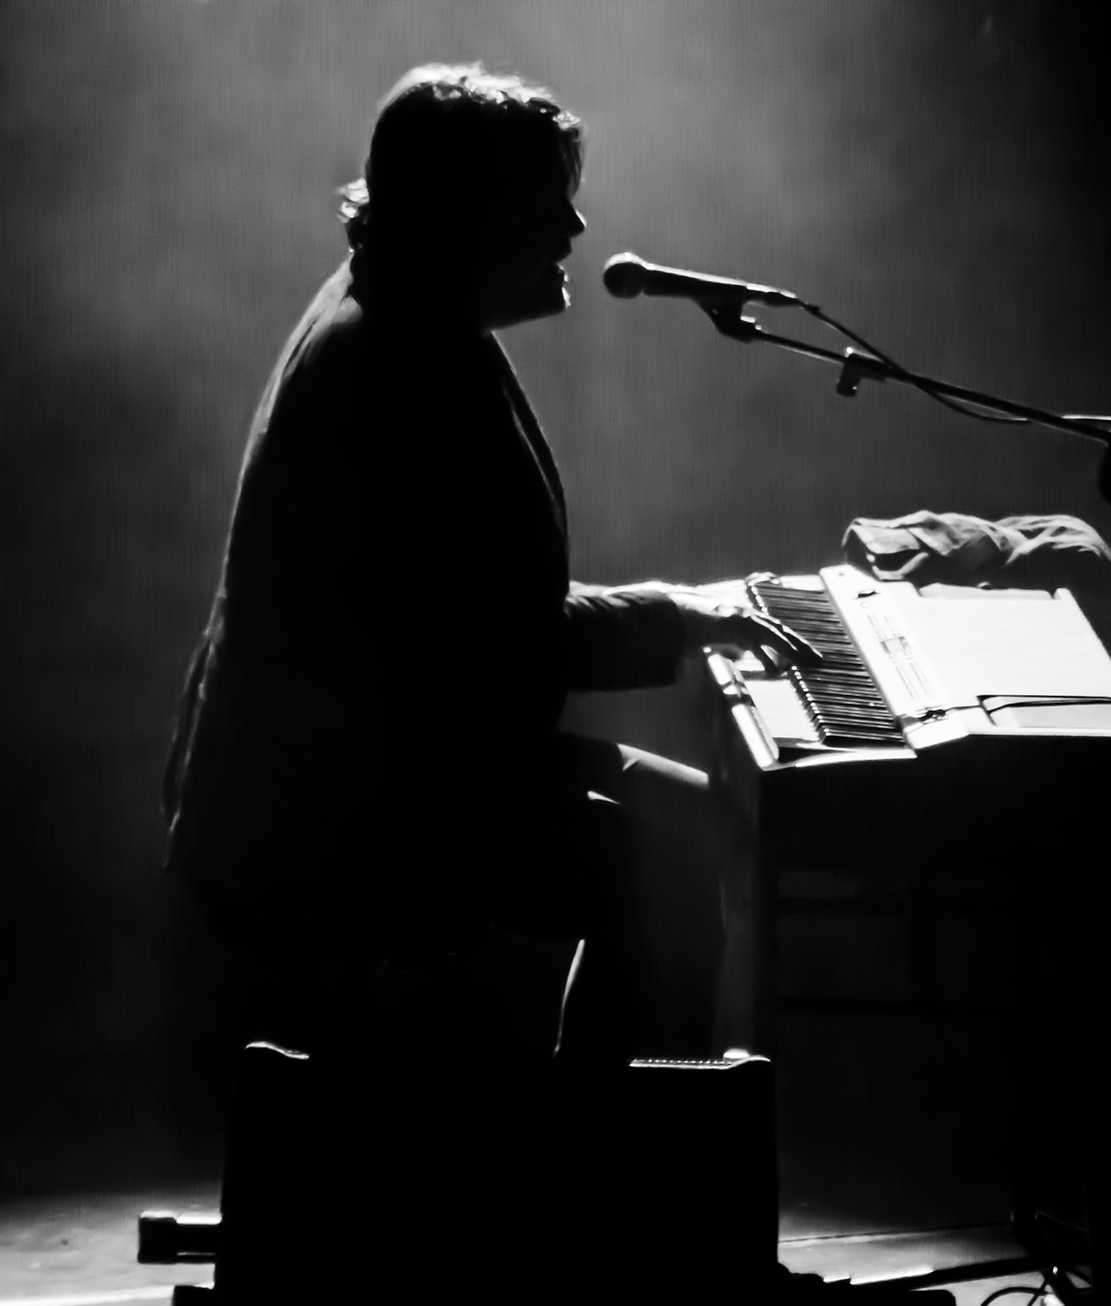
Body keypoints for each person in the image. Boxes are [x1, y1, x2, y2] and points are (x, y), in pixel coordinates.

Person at [162, 63, 813, 1062]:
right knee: (674, 863)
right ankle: (605, 1152)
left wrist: (679, 614)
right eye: (545, 201)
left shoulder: (407, 314)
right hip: (336, 814)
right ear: (462, 215)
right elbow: (496, 641)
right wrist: (678, 619)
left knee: (694, 828)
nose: (576, 228)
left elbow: (481, 609)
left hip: (368, 775)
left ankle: (596, 1137)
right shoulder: (397, 364)